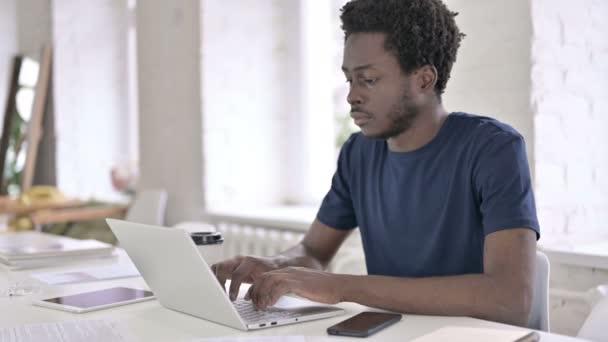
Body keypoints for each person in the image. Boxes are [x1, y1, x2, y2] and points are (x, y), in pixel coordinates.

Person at [212, 0, 540, 327]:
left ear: (424, 80)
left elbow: (509, 300)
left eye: (368, 79)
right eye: (349, 79)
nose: (352, 96)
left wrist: (341, 288)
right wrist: (276, 266)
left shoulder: (493, 148)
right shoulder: (358, 153)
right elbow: (313, 251)